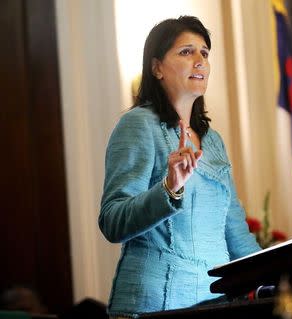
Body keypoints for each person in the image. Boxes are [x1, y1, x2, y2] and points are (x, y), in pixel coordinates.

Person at [99, 16, 261, 317]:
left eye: (204, 53)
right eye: (186, 52)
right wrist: (169, 189)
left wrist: (286, 274)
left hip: (214, 304)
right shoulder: (137, 125)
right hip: (150, 305)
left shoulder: (213, 142)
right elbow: (112, 221)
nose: (200, 60)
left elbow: (237, 237)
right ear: (157, 67)